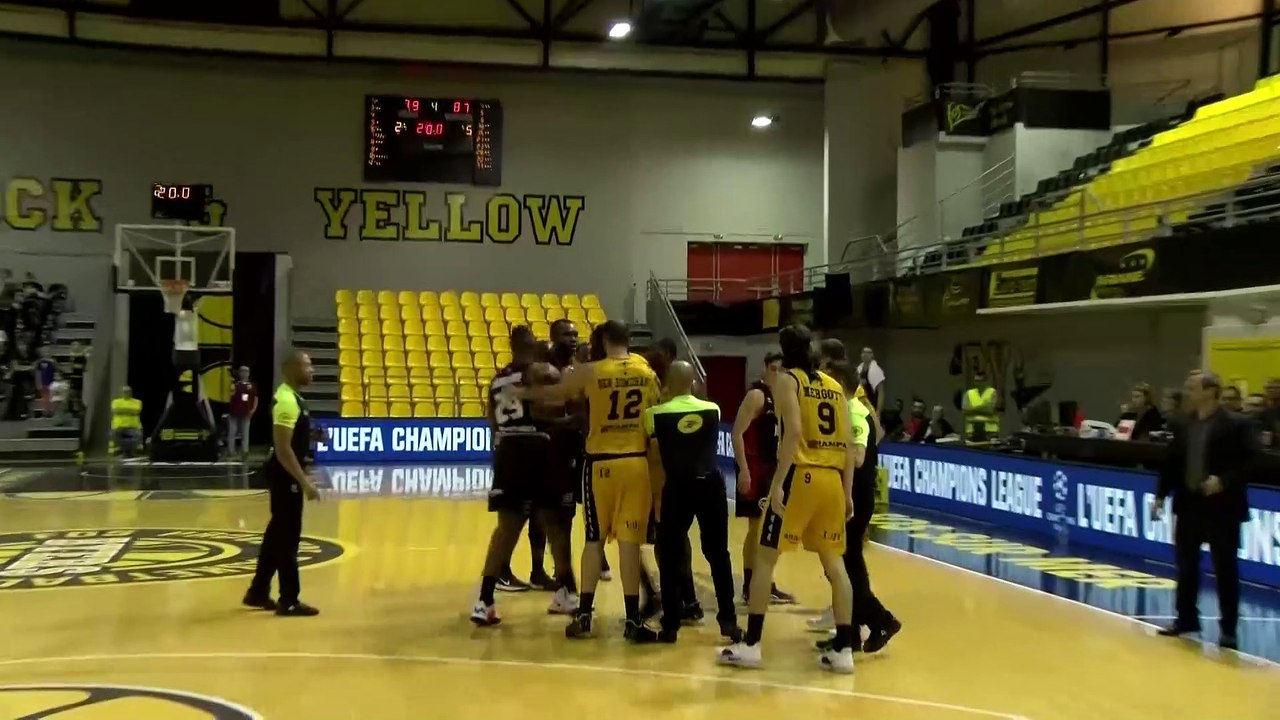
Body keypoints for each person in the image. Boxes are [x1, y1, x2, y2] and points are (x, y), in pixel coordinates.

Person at [719, 324, 857, 673]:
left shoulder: (787, 381)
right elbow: (849, 444)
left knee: (765, 558)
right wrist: (848, 491)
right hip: (832, 480)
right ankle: (844, 649)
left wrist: (778, 482)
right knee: (835, 565)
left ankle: (751, 644)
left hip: (801, 474)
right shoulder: (834, 386)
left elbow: (793, 432)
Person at [518, 320, 661, 642]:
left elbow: (556, 395)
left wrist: (523, 392)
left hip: (601, 465)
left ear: (605, 340)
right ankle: (633, 620)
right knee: (629, 544)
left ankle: (584, 615)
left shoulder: (592, 371)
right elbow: (654, 417)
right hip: (636, 463)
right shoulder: (647, 372)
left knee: (594, 540)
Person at [471, 326, 579, 626]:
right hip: (537, 448)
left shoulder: (496, 380)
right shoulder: (542, 372)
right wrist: (572, 419)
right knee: (554, 523)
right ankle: (567, 592)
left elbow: (491, 420)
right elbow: (555, 408)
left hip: (507, 450)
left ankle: (485, 599)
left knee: (506, 530)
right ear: (533, 346)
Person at [1154, 370, 1257, 650]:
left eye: (1193, 386)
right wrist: (1161, 495)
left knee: (1225, 568)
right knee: (1186, 566)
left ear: (1211, 390)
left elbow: (1251, 461)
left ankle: (1228, 629)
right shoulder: (1183, 423)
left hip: (1221, 506)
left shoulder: (1237, 424)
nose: (1188, 391)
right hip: (1188, 504)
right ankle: (1186, 618)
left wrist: (1223, 481)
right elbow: (1171, 461)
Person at [645, 360, 743, 643]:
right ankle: (728, 621)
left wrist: (656, 499)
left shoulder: (654, 415)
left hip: (677, 487)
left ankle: (671, 624)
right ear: (693, 383)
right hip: (710, 485)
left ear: (668, 384)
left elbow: (653, 458)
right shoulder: (713, 409)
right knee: (718, 554)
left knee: (671, 554)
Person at [243, 350, 322, 617]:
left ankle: (258, 590)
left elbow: (294, 434)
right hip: (285, 477)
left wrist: (312, 434)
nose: (312, 370)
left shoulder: (294, 398)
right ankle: (288, 599)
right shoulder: (286, 400)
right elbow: (283, 449)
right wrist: (305, 482)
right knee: (288, 538)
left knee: (276, 535)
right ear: (291, 369)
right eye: (307, 365)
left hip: (287, 477)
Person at [730, 351, 797, 604]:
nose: (780, 374)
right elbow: (737, 433)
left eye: (783, 370)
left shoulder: (784, 397)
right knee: (757, 528)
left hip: (772, 469)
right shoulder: (757, 395)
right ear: (767, 368)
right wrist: (744, 469)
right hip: (755, 468)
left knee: (771, 530)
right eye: (776, 369)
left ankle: (765, 582)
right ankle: (751, 585)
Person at [227, 365, 258, 459]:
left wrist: (253, 409)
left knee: (245, 433)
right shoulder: (235, 385)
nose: (244, 373)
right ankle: (231, 451)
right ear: (239, 373)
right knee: (232, 432)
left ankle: (245, 452)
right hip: (234, 412)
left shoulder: (252, 386)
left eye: (246, 371)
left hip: (246, 412)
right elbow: (230, 395)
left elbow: (256, 398)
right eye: (242, 371)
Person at [962, 368, 999, 442]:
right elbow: (965, 411)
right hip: (972, 432)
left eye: (981, 381)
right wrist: (983, 407)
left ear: (985, 382)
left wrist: (972, 409)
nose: (978, 384)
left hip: (989, 431)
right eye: (976, 381)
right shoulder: (969, 394)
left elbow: (990, 410)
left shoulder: (992, 392)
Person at [110, 386, 144, 457]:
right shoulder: (116, 401)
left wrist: (122, 410)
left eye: (129, 391)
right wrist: (130, 410)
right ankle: (118, 450)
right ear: (122, 393)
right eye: (125, 392)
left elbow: (136, 411)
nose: (127, 393)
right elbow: (115, 411)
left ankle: (137, 450)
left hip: (133, 427)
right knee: (113, 433)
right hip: (119, 427)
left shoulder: (137, 402)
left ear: (131, 392)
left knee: (138, 434)